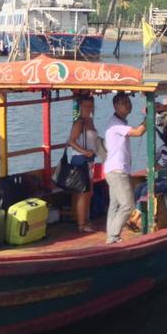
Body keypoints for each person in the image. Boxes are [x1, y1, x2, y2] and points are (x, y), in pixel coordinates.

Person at [103, 91, 147, 244]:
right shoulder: (116, 124)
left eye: (128, 101)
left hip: (113, 170)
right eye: (124, 103)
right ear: (115, 106)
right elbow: (139, 132)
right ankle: (113, 236)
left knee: (115, 206)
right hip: (117, 171)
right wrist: (150, 117)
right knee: (128, 205)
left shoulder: (119, 122)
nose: (128, 105)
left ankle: (111, 237)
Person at [65, 94, 98, 233]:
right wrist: (84, 151)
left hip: (88, 160)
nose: (88, 109)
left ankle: (84, 220)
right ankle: (81, 224)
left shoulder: (89, 120)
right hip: (80, 159)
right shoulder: (79, 122)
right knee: (83, 193)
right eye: (85, 106)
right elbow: (71, 141)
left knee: (87, 192)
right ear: (80, 107)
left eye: (90, 106)